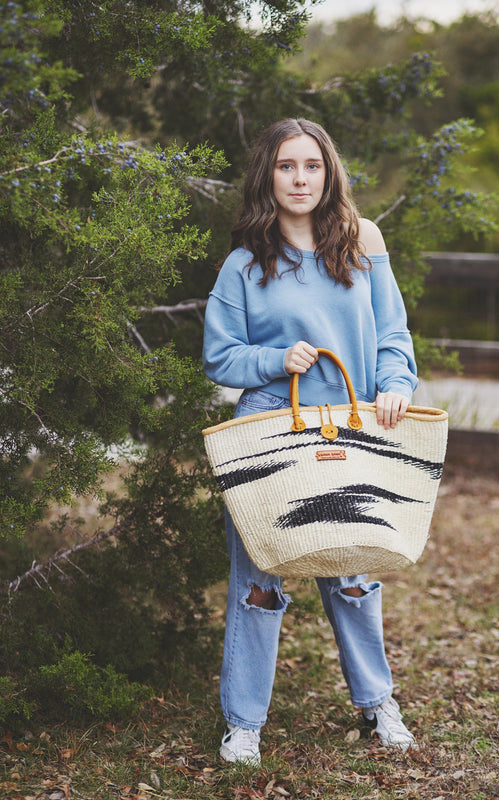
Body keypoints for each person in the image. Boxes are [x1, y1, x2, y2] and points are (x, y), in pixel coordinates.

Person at [202, 118, 419, 764]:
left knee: (351, 574)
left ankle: (376, 703)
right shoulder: (245, 263)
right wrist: (274, 359)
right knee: (259, 578)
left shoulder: (363, 242)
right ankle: (244, 724)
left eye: (312, 166)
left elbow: (392, 335)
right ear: (267, 176)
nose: (300, 179)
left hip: (349, 431)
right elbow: (219, 357)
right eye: (286, 167)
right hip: (270, 437)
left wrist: (395, 384)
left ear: (329, 173)